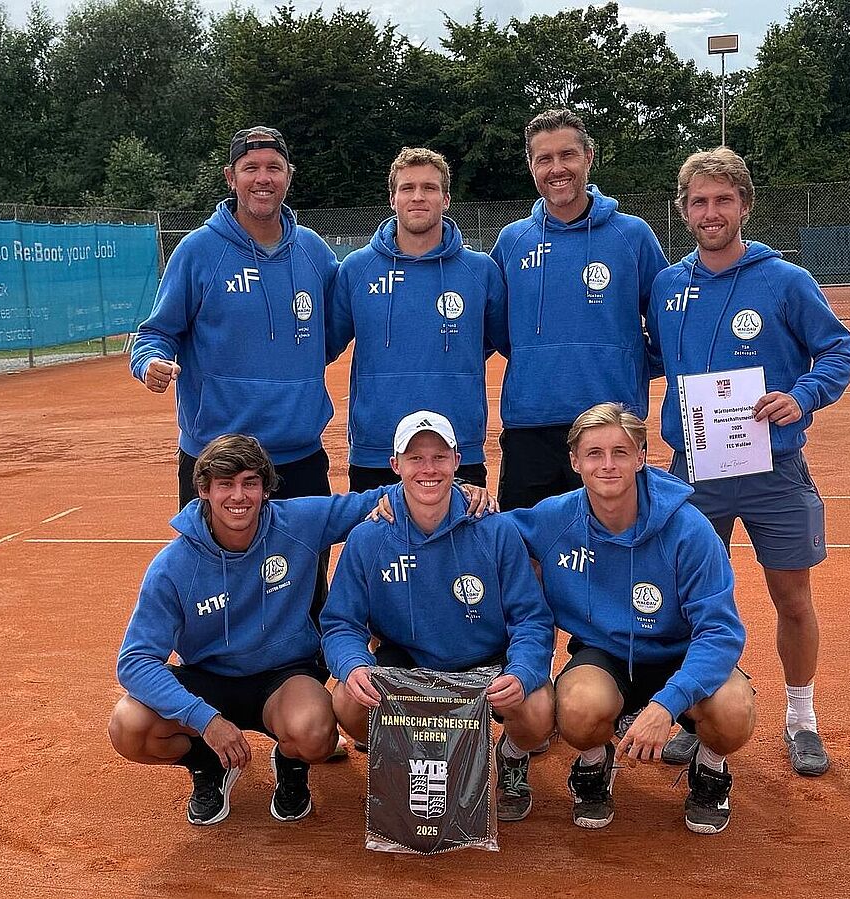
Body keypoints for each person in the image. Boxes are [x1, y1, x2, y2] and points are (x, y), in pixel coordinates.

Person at [107, 434, 492, 825]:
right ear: (204, 490)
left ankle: (290, 765)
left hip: (284, 678)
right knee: (129, 726)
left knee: (315, 733)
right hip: (206, 679)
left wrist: (458, 488)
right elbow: (136, 661)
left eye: (250, 483)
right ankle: (208, 764)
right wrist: (204, 720)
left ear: (266, 489)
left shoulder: (298, 522)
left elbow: (382, 498)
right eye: (225, 484)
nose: (239, 496)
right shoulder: (173, 566)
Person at [646, 147, 850, 777]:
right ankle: (701, 713)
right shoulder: (667, 287)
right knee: (691, 600)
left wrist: (802, 397)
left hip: (774, 470)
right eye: (699, 202)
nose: (711, 212)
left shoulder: (785, 280)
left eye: (723, 200)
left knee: (791, 596)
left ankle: (801, 717)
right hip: (695, 472)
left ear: (744, 205)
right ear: (684, 211)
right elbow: (651, 359)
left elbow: (838, 351)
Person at [506, 403, 755, 834]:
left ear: (640, 457)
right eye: (594, 453)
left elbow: (720, 632)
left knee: (734, 711)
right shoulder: (554, 519)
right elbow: (485, 531)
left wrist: (666, 705)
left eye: (620, 452)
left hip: (681, 654)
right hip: (605, 654)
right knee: (577, 708)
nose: (607, 464)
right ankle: (593, 763)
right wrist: (450, 497)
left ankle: (710, 767)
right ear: (575, 461)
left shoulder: (689, 529)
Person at [321, 411, 556, 823]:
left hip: (485, 665)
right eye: (415, 458)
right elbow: (341, 622)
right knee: (348, 699)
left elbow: (531, 619)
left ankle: (512, 755)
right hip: (408, 664)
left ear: (457, 461)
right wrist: (353, 665)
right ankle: (404, 759)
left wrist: (521, 672)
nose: (428, 469)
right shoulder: (369, 537)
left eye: (439, 457)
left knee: (537, 709)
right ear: (395, 465)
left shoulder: (495, 530)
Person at [129, 126, 339, 510]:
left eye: (274, 167)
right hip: (217, 459)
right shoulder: (197, 251)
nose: (263, 178)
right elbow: (156, 333)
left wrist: (299, 368)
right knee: (213, 554)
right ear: (231, 177)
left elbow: (334, 329)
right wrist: (149, 362)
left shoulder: (314, 251)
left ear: (289, 176)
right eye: (250, 168)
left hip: (300, 458)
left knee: (307, 554)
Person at [490, 108, 668, 510]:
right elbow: (498, 330)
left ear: (588, 156)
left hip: (611, 424)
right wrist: (536, 360)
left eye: (567, 155)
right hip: (530, 427)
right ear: (531, 166)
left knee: (616, 539)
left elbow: (667, 319)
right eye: (544, 159)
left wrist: (631, 364)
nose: (557, 168)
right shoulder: (512, 241)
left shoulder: (632, 235)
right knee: (528, 543)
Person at [327, 148, 508, 491]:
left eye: (429, 188)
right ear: (392, 199)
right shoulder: (356, 269)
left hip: (456, 449)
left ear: (446, 199)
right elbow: (323, 344)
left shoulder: (481, 270)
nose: (418, 197)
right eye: (407, 188)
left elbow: (502, 342)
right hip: (377, 451)